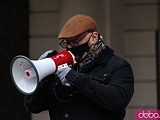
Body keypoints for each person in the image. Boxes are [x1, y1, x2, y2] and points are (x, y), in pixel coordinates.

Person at [24, 14, 134, 120]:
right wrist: (45, 75)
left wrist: (75, 78)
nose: (70, 47)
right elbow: (32, 106)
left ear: (94, 37)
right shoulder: (62, 68)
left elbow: (118, 100)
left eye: (75, 41)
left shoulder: (117, 66)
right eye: (67, 43)